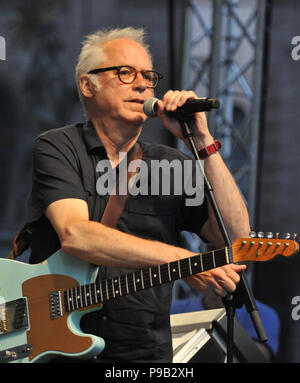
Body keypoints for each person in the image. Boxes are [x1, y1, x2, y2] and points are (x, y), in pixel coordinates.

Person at [27, 27, 250, 363]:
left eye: (148, 75)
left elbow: (236, 238)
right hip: (56, 349)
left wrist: (202, 140)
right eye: (125, 72)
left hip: (144, 355)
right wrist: (181, 259)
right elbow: (76, 234)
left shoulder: (173, 163)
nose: (143, 84)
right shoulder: (58, 147)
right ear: (88, 85)